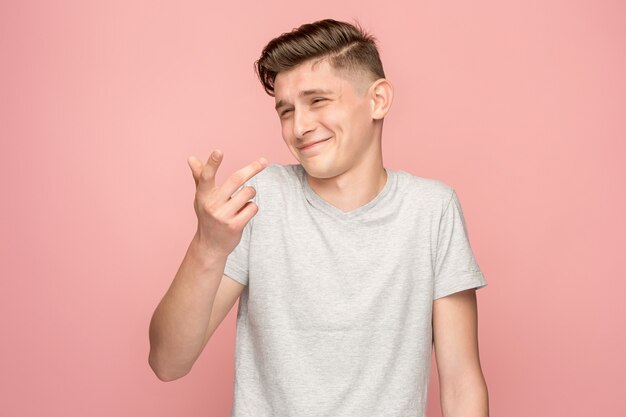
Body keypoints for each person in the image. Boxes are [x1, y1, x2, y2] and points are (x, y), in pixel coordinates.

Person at [149, 18, 489, 417]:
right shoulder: (261, 199)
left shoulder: (432, 210)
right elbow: (167, 363)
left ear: (378, 100)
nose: (299, 127)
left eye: (318, 101)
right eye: (286, 111)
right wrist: (205, 248)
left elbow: (462, 383)